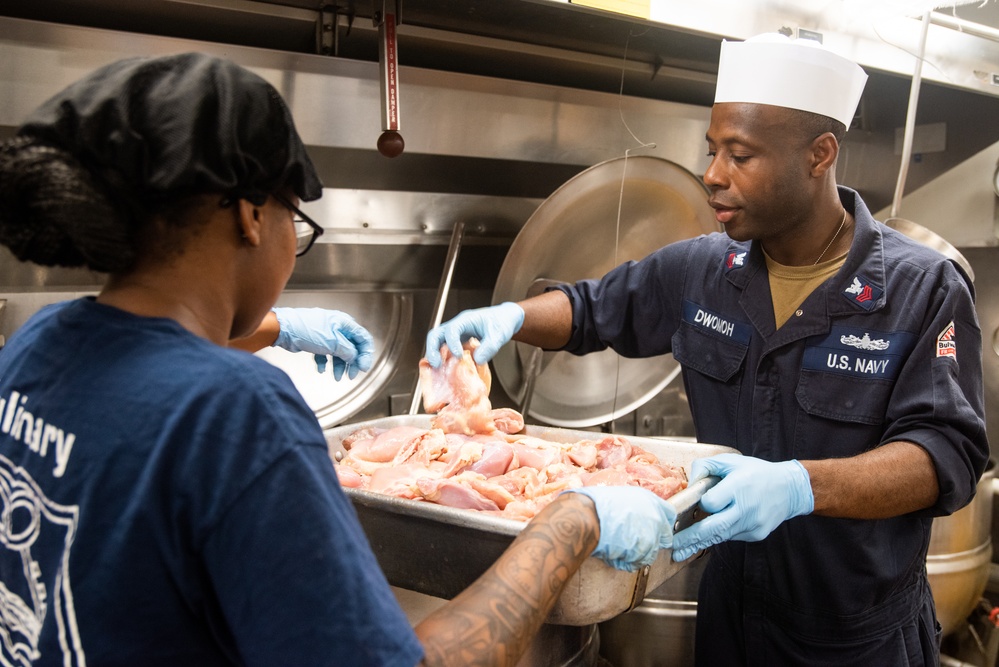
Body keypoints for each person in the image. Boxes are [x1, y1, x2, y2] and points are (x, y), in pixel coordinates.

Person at [0, 52, 679, 666]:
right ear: (248, 215)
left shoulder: (41, 342)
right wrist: (571, 522)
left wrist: (271, 327)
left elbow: (145, 385)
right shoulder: (238, 411)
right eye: (295, 220)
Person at [426, 34, 989, 665]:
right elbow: (592, 309)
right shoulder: (705, 268)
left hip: (859, 637)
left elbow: (946, 455)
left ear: (819, 155)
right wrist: (506, 318)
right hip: (730, 618)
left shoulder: (920, 288)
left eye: (740, 155)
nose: (713, 175)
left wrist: (800, 487)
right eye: (712, 150)